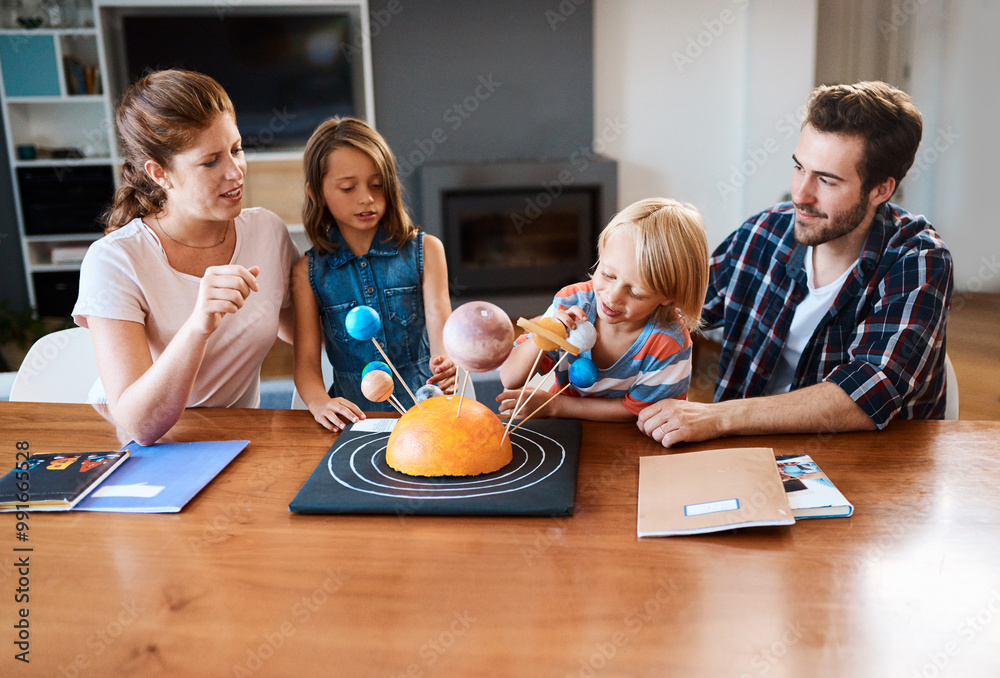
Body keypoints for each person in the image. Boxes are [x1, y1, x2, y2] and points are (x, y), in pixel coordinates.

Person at [638, 81, 954, 447]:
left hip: (866, 469)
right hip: (743, 452)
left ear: (880, 190)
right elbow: (670, 305)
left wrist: (718, 416)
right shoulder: (764, 231)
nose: (800, 195)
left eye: (827, 180)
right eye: (799, 167)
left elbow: (867, 396)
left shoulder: (918, 260)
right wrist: (583, 317)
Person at [72, 69, 299, 446]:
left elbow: (310, 332)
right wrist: (199, 324)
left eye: (236, 149)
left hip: (236, 440)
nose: (235, 171)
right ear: (160, 173)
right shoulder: (114, 261)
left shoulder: (267, 232)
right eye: (210, 162)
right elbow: (139, 426)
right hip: (138, 447)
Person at [292, 117, 456, 431]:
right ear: (316, 193)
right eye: (347, 187)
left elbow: (442, 333)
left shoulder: (428, 251)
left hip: (426, 417)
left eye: (376, 184)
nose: (366, 197)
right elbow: (307, 365)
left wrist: (448, 364)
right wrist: (318, 402)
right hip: (353, 423)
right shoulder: (307, 273)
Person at [497, 198, 709, 422]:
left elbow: (641, 411)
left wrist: (555, 406)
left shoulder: (668, 342)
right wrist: (545, 333)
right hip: (565, 428)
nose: (612, 296)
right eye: (608, 274)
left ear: (669, 297)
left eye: (636, 293)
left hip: (624, 439)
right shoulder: (572, 302)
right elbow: (510, 378)